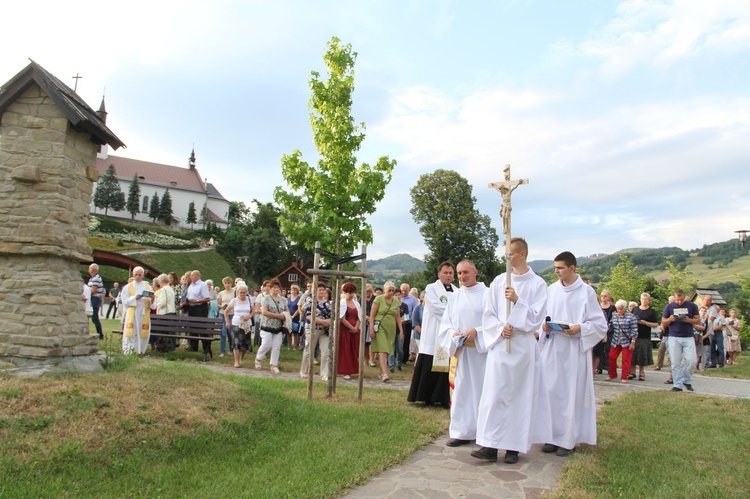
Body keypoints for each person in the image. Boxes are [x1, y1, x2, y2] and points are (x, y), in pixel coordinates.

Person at [471, 239, 548, 464]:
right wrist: (499, 328)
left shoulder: (538, 284)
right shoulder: (498, 281)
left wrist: (517, 300)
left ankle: (513, 447)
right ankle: (490, 445)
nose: (505, 259)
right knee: (494, 395)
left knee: (519, 397)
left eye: (509, 255)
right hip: (500, 345)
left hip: (522, 346)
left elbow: (537, 316)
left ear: (522, 254)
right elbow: (489, 313)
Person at [536, 252, 607, 457]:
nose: (556, 271)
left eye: (560, 268)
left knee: (570, 393)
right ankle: (551, 436)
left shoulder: (586, 292)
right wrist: (545, 328)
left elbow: (600, 325)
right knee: (550, 392)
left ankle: (568, 440)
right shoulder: (551, 290)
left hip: (574, 349)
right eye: (555, 268)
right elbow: (543, 317)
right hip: (553, 347)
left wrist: (581, 328)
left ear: (572, 268)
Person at [435, 261, 488, 452]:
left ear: (476, 272)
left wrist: (478, 332)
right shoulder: (455, 297)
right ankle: (461, 431)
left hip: (482, 354)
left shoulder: (488, 294)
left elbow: (494, 324)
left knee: (482, 392)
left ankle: (483, 432)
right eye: (459, 273)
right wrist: (453, 335)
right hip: (462, 352)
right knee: (461, 392)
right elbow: (446, 324)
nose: (462, 276)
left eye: (465, 272)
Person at [408, 262, 455, 406]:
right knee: (429, 363)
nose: (448, 275)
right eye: (445, 272)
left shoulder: (458, 290)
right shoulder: (431, 288)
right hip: (433, 333)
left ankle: (444, 398)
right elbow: (435, 307)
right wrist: (454, 315)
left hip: (448, 333)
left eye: (450, 273)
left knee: (447, 365)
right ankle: (427, 396)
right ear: (439, 274)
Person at [662, 289, 700, 391]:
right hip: (674, 336)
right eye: (678, 300)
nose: (680, 302)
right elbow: (663, 321)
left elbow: (698, 320)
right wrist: (670, 319)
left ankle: (686, 380)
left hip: (688, 336)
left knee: (692, 360)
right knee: (675, 362)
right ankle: (677, 384)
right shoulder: (669, 306)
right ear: (674, 298)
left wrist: (688, 320)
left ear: (684, 297)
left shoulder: (692, 306)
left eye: (682, 299)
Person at [369, 281, 403, 382]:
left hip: (391, 328)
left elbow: (398, 317)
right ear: (384, 290)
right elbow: (372, 315)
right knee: (383, 349)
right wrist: (371, 328)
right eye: (389, 290)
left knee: (388, 350)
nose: (391, 292)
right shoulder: (378, 299)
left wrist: (401, 330)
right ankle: (384, 373)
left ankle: (380, 371)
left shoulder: (396, 301)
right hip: (380, 327)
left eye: (393, 290)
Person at [300, 283, 332, 380]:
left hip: (325, 331)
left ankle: (324, 373)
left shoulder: (328, 303)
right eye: (319, 290)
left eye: (323, 290)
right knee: (309, 350)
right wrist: (322, 321)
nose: (321, 291)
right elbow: (309, 316)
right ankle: (304, 371)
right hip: (312, 328)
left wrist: (328, 322)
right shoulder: (310, 302)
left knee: (326, 351)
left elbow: (332, 316)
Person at [120, 266, 153, 356]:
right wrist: (135, 297)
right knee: (132, 332)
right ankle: (129, 351)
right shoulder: (128, 287)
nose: (138, 276)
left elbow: (153, 305)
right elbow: (124, 301)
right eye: (136, 275)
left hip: (143, 313)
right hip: (133, 313)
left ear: (143, 275)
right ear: (133, 275)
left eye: (140, 275)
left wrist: (152, 298)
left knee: (142, 332)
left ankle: (141, 350)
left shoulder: (148, 287)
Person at [256, 278, 287, 374]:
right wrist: (278, 316)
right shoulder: (266, 298)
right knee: (267, 344)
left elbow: (287, 311)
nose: (276, 289)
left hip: (278, 327)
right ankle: (258, 358)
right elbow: (264, 312)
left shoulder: (283, 300)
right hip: (267, 325)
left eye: (278, 287)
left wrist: (285, 316)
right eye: (274, 287)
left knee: (276, 346)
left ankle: (274, 365)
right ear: (270, 289)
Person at [607, 299, 638, 383]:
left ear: (625, 308)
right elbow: (610, 326)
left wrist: (633, 342)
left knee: (626, 359)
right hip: (616, 340)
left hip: (627, 341)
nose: (619, 310)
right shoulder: (615, 316)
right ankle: (612, 374)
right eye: (618, 308)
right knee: (611, 357)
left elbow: (634, 331)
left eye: (621, 308)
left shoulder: (631, 317)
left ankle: (624, 377)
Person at [224, 283, 254, 368]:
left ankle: (241, 358)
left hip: (247, 324)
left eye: (244, 292)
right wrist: (227, 322)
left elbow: (253, 311)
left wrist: (249, 316)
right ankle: (236, 361)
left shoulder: (249, 300)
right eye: (241, 292)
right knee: (236, 342)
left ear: (247, 292)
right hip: (236, 323)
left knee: (245, 342)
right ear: (237, 292)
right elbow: (226, 311)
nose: (242, 294)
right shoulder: (234, 301)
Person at [631, 293, 659, 381]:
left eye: (646, 299)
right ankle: (632, 372)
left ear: (649, 301)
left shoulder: (651, 311)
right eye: (642, 299)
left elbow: (655, 324)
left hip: (645, 335)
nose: (644, 301)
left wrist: (645, 323)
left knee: (642, 355)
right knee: (633, 354)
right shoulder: (635, 309)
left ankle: (641, 372)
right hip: (634, 335)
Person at [337, 282, 361, 379]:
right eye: (349, 292)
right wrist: (351, 327)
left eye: (352, 292)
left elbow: (359, 316)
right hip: (345, 330)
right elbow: (342, 318)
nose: (351, 294)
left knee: (353, 350)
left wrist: (356, 328)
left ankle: (353, 369)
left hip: (355, 330)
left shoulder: (356, 303)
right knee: (345, 350)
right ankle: (345, 371)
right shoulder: (342, 303)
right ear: (344, 292)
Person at [185, 270, 212, 357]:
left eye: (193, 275)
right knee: (192, 327)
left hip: (200, 308)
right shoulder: (191, 286)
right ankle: (193, 346)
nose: (191, 277)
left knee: (201, 328)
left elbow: (207, 298)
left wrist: (196, 300)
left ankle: (206, 347)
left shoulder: (202, 285)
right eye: (191, 276)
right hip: (191, 307)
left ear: (198, 276)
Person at [593, 289, 615, 375]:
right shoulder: (598, 307)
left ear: (609, 297)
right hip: (597, 331)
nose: (603, 297)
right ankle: (598, 368)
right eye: (602, 296)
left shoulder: (612, 307)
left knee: (607, 351)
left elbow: (613, 319)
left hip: (608, 331)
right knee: (596, 351)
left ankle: (609, 368)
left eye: (605, 296)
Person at [399, 282, 419, 366]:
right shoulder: (397, 298)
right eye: (402, 291)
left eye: (406, 291)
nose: (404, 292)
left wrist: (410, 318)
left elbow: (415, 311)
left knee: (406, 341)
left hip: (407, 323)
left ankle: (404, 359)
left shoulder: (413, 299)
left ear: (408, 290)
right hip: (398, 321)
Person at [87, 263, 105, 339]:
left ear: (93, 270)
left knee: (94, 317)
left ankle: (100, 334)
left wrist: (87, 294)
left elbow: (93, 290)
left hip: (95, 299)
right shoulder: (92, 278)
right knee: (94, 316)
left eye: (89, 268)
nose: (88, 270)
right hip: (93, 298)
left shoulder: (96, 278)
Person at [363, 284, 376, 367]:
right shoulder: (361, 299)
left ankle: (372, 359)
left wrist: (371, 318)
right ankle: (365, 360)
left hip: (374, 322)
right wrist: (366, 317)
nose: (368, 293)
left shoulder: (375, 299)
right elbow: (359, 309)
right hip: (364, 322)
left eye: (369, 291)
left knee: (372, 341)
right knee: (365, 342)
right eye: (366, 291)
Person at [287, 284, 302, 350]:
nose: (293, 291)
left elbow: (299, 308)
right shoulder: (288, 299)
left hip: (296, 317)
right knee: (288, 331)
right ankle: (289, 346)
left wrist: (293, 316)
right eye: (292, 290)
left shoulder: (299, 299)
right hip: (288, 317)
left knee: (295, 332)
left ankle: (295, 347)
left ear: (297, 291)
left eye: (295, 290)